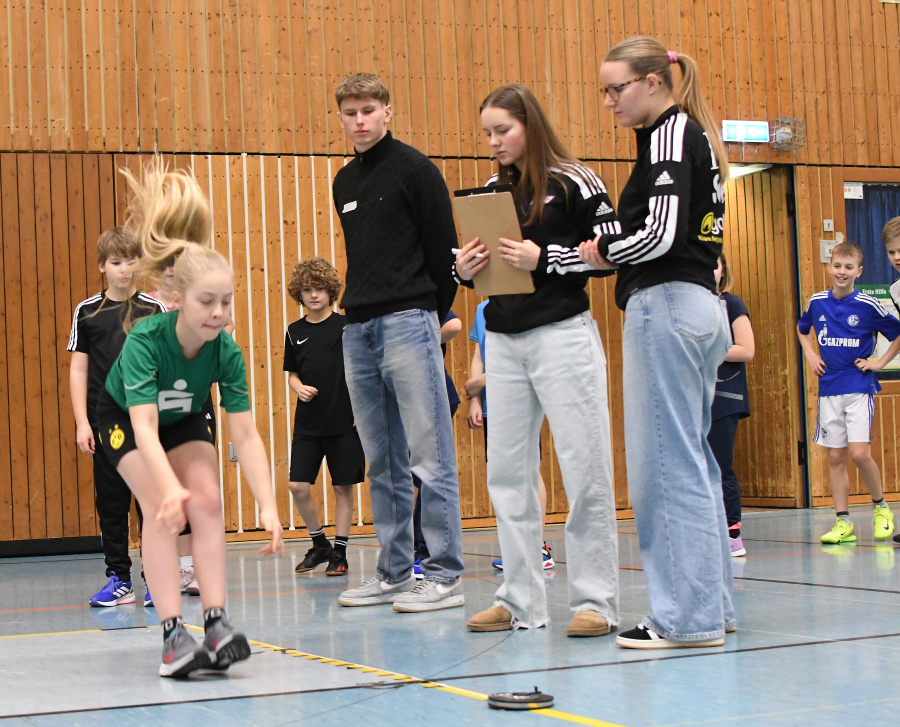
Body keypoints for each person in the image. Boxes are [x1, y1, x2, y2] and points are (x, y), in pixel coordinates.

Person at [98, 158, 283, 677]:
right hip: (126, 419)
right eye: (208, 301)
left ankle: (218, 623)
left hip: (181, 415)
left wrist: (268, 506)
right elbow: (143, 429)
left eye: (227, 301)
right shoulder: (145, 342)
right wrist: (165, 486)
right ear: (177, 299)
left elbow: (244, 435)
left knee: (206, 499)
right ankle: (173, 635)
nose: (220, 312)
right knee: (165, 507)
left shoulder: (225, 351)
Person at [579, 37, 734, 649]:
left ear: (653, 81)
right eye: (605, 91)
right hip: (697, 307)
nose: (610, 101)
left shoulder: (670, 133)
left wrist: (607, 251)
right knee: (692, 461)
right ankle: (710, 606)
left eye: (618, 88)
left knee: (664, 467)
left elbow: (662, 236)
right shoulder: (685, 135)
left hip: (667, 301)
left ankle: (683, 618)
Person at [455, 83, 619, 638]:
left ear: (530, 124)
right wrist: (465, 267)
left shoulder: (575, 179)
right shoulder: (491, 191)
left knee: (584, 465)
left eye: (503, 130)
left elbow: (613, 252)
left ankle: (597, 600)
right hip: (502, 339)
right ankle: (520, 599)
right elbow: (479, 270)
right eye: (488, 134)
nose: (495, 142)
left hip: (562, 336)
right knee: (507, 475)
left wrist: (545, 256)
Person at [330, 73, 464, 613]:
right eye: (349, 112)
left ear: (388, 111)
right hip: (357, 327)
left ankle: (445, 574)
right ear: (340, 119)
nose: (359, 120)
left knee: (430, 454)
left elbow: (445, 255)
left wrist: (429, 318)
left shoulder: (416, 170)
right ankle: (392, 571)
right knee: (381, 458)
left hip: (410, 321)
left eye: (368, 109)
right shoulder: (343, 182)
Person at [68, 227, 167, 607]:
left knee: (151, 502)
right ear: (101, 267)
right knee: (111, 501)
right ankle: (118, 579)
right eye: (115, 262)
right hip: (105, 423)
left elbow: (165, 365)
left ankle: (156, 578)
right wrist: (82, 422)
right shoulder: (87, 312)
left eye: (131, 261)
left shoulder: (153, 310)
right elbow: (79, 370)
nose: (124, 269)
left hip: (147, 423)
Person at [798, 242, 900, 545]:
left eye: (848, 267)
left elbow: (897, 334)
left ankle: (881, 507)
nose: (842, 272)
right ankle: (843, 522)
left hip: (858, 387)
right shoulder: (817, 302)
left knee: (858, 453)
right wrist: (810, 355)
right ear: (830, 268)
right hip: (829, 389)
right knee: (836, 457)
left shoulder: (869, 304)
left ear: (859, 271)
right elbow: (803, 329)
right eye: (837, 266)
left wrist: (878, 362)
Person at [284, 257, 365, 578]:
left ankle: (340, 552)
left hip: (345, 421)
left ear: (330, 290)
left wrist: (362, 408)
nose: (314, 295)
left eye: (319, 288)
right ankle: (319, 544)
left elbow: (363, 371)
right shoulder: (294, 331)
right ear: (299, 294)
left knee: (343, 487)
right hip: (309, 422)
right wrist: (298, 387)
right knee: (297, 485)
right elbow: (291, 374)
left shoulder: (348, 325)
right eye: (307, 290)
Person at [465, 299, 554, 571]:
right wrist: (474, 398)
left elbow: (527, 356)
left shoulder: (525, 301)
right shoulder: (482, 309)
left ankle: (538, 547)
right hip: (494, 405)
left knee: (529, 470)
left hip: (521, 399)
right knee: (505, 475)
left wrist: (484, 380)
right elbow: (479, 354)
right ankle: (517, 548)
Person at [708, 253, 754, 557]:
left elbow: (746, 349)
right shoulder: (688, 306)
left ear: (723, 272)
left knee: (721, 464)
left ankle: (732, 532)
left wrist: (710, 350)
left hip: (724, 397)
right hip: (694, 396)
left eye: (714, 264)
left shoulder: (732, 304)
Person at [412, 312, 462, 579]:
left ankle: (425, 551)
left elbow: (454, 325)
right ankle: (418, 549)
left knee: (427, 474)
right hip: (407, 399)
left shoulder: (422, 302)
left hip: (434, 395)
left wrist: (414, 341)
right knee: (416, 476)